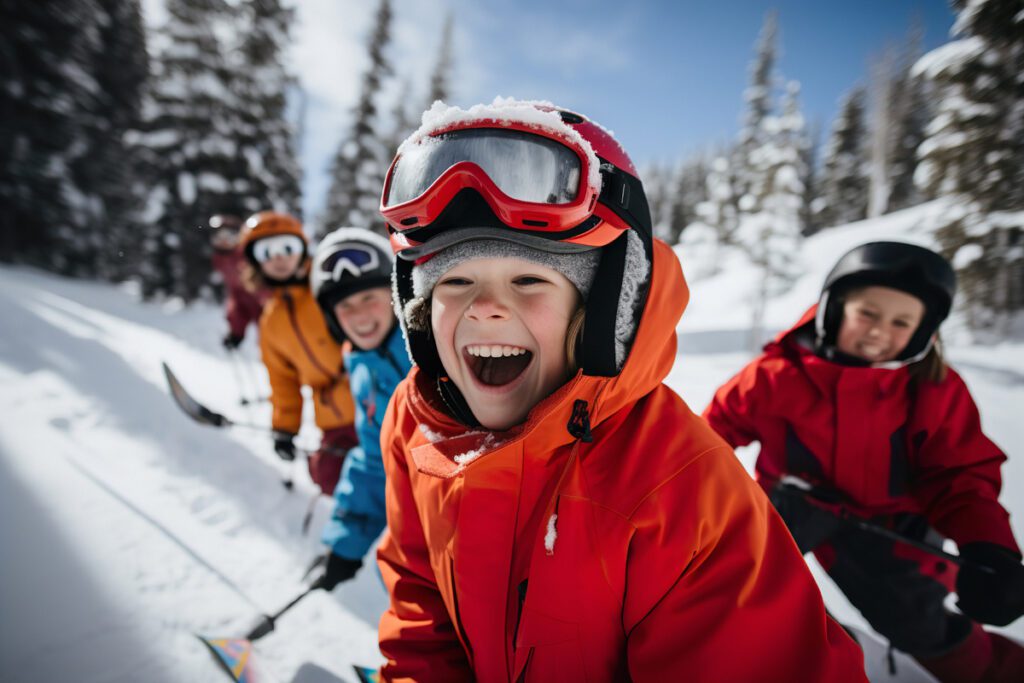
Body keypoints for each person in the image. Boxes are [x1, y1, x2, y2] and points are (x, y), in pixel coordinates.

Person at [372, 99, 866, 682]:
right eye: (454, 281)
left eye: (529, 279)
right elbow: (419, 602)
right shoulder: (417, 423)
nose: (484, 308)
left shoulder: (684, 492)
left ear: (604, 310)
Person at [704, 241, 1024, 682]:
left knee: (915, 619)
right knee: (729, 577)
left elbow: (959, 476)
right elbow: (710, 436)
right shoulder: (776, 376)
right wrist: (687, 495)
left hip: (887, 524)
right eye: (867, 313)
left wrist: (990, 548)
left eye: (900, 322)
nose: (878, 331)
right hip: (791, 503)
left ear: (923, 331)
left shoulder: (932, 389)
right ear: (833, 309)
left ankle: (994, 670)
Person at [307, 227, 412, 590]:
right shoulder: (362, 368)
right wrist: (345, 546)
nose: (360, 315)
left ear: (395, 295)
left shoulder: (433, 346)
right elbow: (374, 461)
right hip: (421, 530)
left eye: (370, 296)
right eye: (345, 306)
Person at [238, 211, 357, 493]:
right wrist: (284, 428)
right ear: (256, 261)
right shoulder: (271, 322)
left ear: (301, 249)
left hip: (374, 397)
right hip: (334, 417)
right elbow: (282, 381)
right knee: (328, 477)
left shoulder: (329, 286)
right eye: (267, 251)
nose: (279, 258)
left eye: (287, 247)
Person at [209, 214, 267, 349]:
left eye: (229, 235)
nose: (224, 241)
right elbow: (237, 297)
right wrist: (236, 331)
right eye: (219, 236)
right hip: (257, 314)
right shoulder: (219, 260)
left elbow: (266, 293)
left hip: (272, 314)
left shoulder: (250, 255)